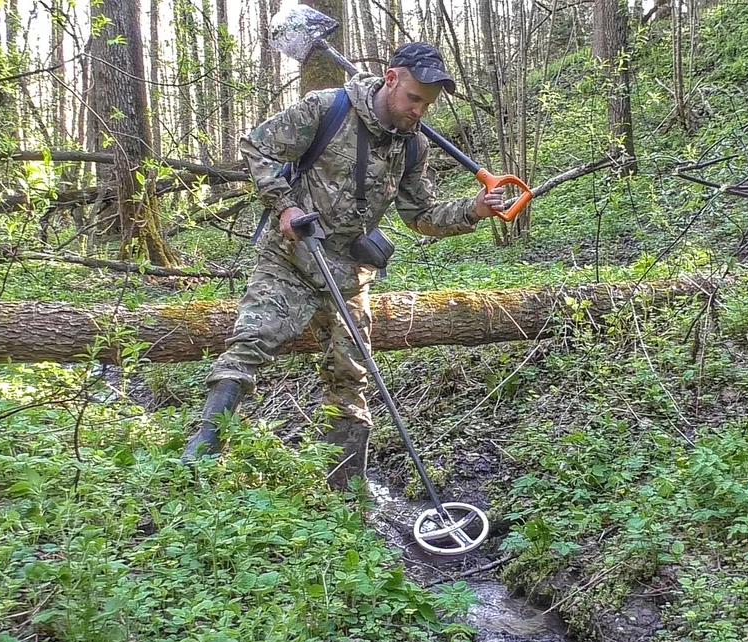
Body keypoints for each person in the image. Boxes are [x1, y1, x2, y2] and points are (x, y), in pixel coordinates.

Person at [182, 42, 506, 489]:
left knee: (352, 377)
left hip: (350, 274)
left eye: (427, 105)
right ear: (391, 79)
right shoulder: (327, 108)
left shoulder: (411, 147)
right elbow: (257, 147)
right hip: (290, 259)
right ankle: (197, 461)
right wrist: (284, 206)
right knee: (249, 345)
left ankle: (345, 489)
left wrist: (473, 210)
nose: (419, 112)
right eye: (414, 99)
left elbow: (421, 215)